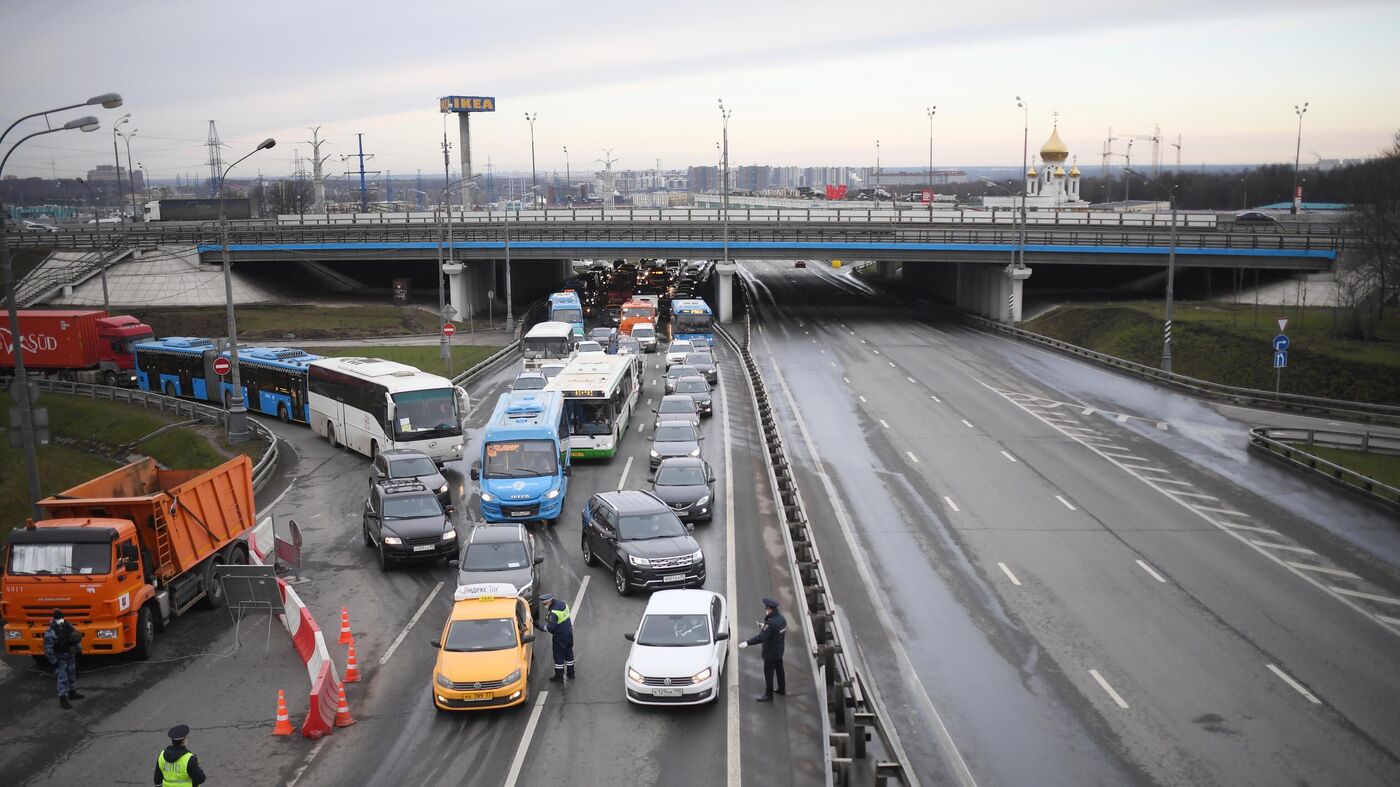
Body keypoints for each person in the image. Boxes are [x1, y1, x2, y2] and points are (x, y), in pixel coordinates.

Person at [738, 597, 787, 702]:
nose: (766, 610)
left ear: (770, 609)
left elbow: (761, 637)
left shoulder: (771, 623)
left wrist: (747, 643)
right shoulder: (781, 619)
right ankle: (781, 689)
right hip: (779, 650)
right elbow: (774, 631)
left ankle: (768, 694)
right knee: (780, 670)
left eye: (767, 609)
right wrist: (764, 626)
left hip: (770, 653)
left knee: (768, 673)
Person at [42, 609, 83, 709]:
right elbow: (48, 649)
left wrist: (78, 650)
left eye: (61, 618)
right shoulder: (51, 631)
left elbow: (75, 637)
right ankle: (63, 699)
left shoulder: (68, 626)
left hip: (70, 654)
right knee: (62, 678)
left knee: (72, 674)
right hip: (60, 657)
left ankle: (72, 693)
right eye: (58, 618)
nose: (60, 620)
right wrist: (53, 661)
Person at [540, 593, 575, 682]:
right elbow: (567, 617)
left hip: (560, 637)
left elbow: (551, 627)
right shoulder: (563, 604)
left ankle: (559, 676)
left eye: (544, 604)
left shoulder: (553, 612)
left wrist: (541, 628)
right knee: (569, 653)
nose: (544, 606)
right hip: (568, 633)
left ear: (549, 601)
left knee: (558, 656)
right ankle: (571, 673)